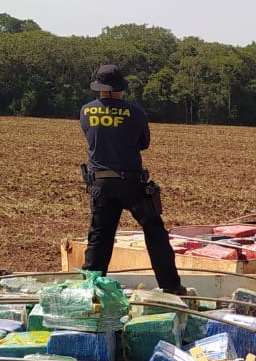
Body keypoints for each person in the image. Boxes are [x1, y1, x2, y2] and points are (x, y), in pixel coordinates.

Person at [79, 63, 186, 294]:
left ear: (99, 87)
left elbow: (91, 138)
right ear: (120, 87)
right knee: (154, 231)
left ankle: (90, 289)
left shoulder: (86, 111)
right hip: (131, 184)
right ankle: (171, 286)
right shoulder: (134, 112)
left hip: (101, 185)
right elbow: (144, 143)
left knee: (99, 237)